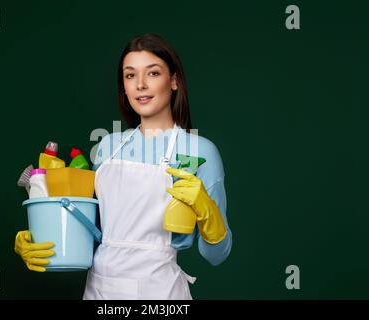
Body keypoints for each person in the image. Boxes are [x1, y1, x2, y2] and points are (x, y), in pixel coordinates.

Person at [14, 34, 232, 299]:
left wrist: (208, 213)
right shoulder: (108, 146)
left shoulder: (200, 151)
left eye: (152, 73)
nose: (140, 84)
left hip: (159, 293)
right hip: (100, 290)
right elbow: (91, 230)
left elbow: (217, 256)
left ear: (174, 81)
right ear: (124, 87)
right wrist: (38, 236)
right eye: (130, 76)